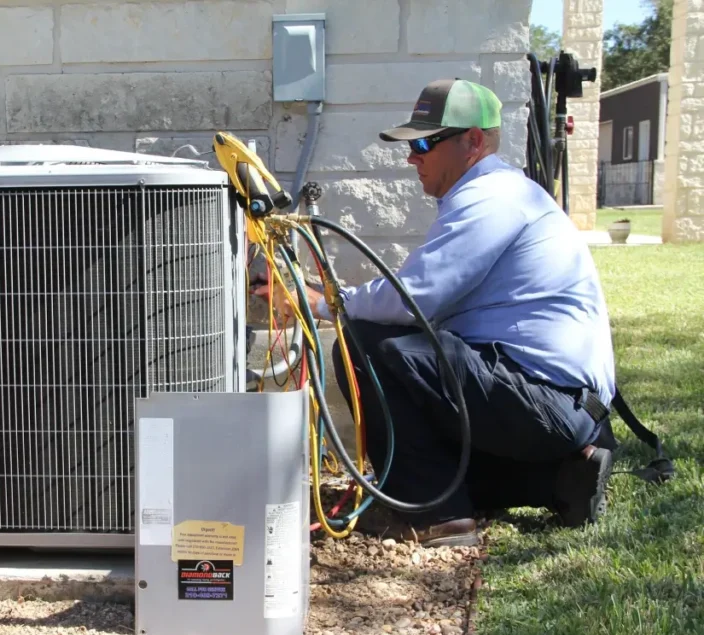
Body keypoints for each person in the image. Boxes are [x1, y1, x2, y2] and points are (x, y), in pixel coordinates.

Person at [254, 78, 615, 547]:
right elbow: (419, 298)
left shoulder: (491, 199)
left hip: (544, 401)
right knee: (434, 451)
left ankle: (435, 515)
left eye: (424, 143)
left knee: (363, 340)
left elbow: (412, 300)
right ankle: (562, 480)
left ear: (473, 141)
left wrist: (320, 304)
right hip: (559, 405)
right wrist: (318, 293)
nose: (412, 157)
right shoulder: (504, 195)